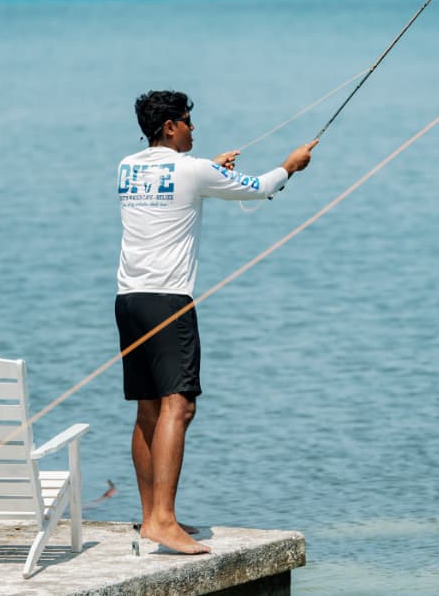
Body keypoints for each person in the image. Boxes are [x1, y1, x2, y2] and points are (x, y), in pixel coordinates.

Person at [114, 89, 316, 554]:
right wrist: (291, 165)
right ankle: (163, 521)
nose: (192, 128)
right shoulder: (193, 169)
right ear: (169, 126)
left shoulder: (127, 166)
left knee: (148, 408)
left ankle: (151, 518)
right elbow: (261, 187)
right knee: (178, 406)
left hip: (129, 300)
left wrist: (209, 170)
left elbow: (177, 180)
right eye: (186, 121)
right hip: (168, 302)